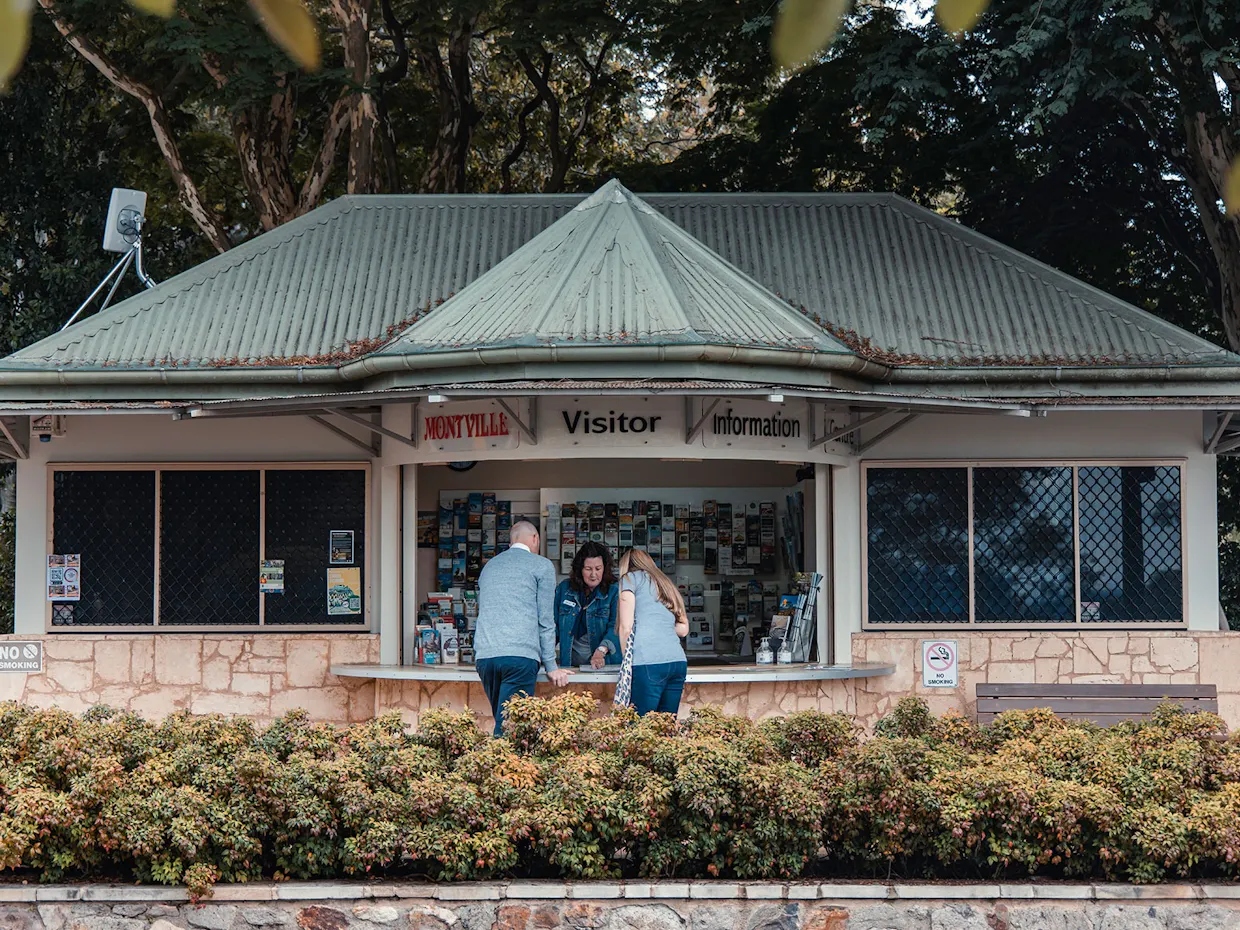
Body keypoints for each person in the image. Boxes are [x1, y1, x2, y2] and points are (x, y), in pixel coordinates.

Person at [474, 520, 571, 735]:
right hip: (519, 657)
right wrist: (551, 666)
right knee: (510, 729)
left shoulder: (489, 566)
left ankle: (497, 763)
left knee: (503, 721)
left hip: (486, 658)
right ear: (535, 539)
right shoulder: (541, 565)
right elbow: (545, 619)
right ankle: (500, 767)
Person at [616, 548, 689, 716]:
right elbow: (683, 629)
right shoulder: (666, 584)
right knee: (666, 728)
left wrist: (626, 662)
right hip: (677, 661)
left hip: (647, 662)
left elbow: (625, 628)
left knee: (641, 729)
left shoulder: (629, 579)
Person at [555, 542, 621, 669]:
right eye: (588, 569)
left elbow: (616, 627)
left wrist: (601, 651)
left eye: (598, 569)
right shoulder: (564, 589)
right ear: (580, 569)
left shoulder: (614, 591)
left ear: (605, 568)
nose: (593, 575)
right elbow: (554, 627)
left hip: (604, 664)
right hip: (570, 665)